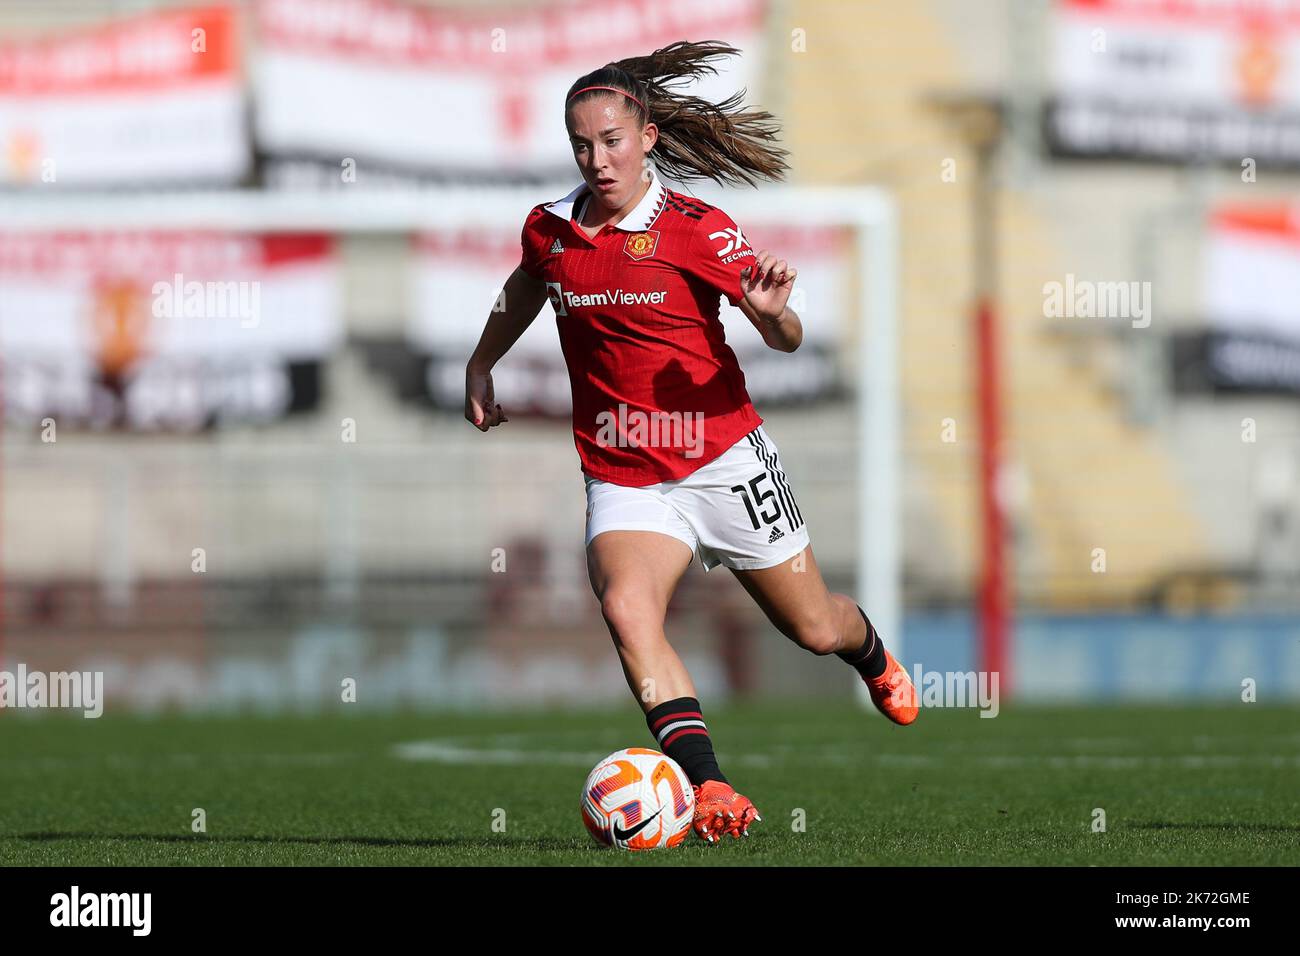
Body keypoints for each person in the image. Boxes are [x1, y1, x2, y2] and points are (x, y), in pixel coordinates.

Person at [465, 40, 917, 845]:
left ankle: (872, 654)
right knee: (625, 605)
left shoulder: (698, 231)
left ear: (648, 140)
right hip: (625, 473)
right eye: (581, 143)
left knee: (814, 628)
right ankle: (709, 788)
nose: (597, 158)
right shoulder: (550, 230)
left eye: (612, 141)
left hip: (724, 459)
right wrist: (481, 362)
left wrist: (775, 311)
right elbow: (526, 285)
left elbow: (783, 337)